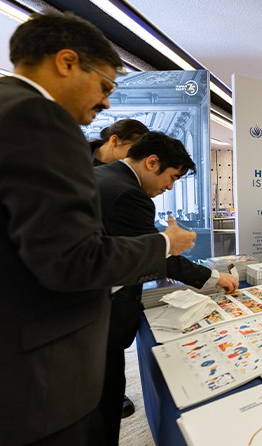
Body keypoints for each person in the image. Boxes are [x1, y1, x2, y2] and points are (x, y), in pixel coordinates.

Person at [0, 11, 196, 445]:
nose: (107, 105)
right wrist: (165, 244)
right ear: (66, 61)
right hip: (40, 370)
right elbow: (75, 260)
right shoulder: (37, 118)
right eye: (105, 86)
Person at [94, 131, 239, 444]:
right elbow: (159, 258)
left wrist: (167, 244)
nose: (169, 187)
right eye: (172, 177)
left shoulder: (103, 176)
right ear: (152, 162)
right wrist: (212, 277)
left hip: (88, 321)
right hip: (99, 322)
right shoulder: (129, 195)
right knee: (101, 408)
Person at [90, 118, 149, 420]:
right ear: (114, 141)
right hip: (91, 287)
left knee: (109, 355)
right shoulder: (74, 168)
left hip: (114, 287)